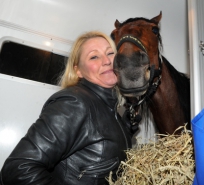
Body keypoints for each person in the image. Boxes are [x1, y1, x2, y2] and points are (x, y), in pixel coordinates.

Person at [0, 31, 139, 185]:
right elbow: (18, 168)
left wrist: (127, 126)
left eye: (110, 53)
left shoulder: (108, 108)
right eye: (94, 56)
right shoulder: (74, 103)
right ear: (78, 70)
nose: (107, 61)